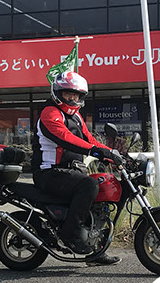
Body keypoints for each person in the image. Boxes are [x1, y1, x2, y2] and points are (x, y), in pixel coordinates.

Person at [31, 71, 122, 265]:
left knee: (101, 189)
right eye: (68, 94)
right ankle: (70, 235)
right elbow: (66, 138)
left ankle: (96, 249)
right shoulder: (50, 112)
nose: (73, 98)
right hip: (49, 172)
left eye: (76, 95)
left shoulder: (76, 117)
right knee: (89, 185)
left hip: (70, 172)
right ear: (58, 93)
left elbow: (90, 140)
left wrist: (114, 155)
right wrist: (95, 151)